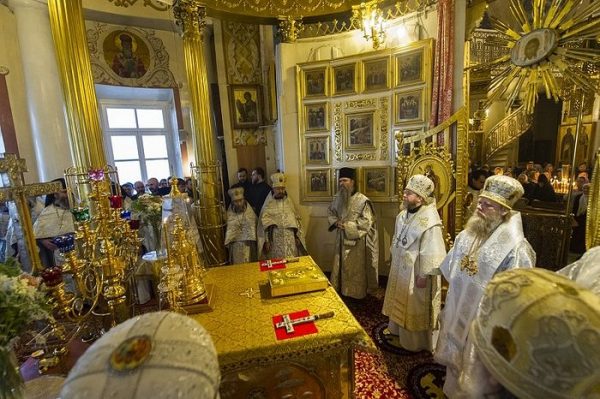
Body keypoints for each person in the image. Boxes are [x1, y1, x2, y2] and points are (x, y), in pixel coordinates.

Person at [434, 175, 536, 398]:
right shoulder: (468, 233)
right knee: (454, 365)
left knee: (474, 371)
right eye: (480, 201)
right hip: (458, 305)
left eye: (487, 204)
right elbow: (452, 266)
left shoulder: (517, 249)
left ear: (503, 211)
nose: (479, 206)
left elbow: (517, 297)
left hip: (483, 320)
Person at [382, 175, 446, 352]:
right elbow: (397, 238)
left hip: (416, 270)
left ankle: (414, 343)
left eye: (409, 193)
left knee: (414, 303)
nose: (404, 195)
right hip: (400, 266)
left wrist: (424, 275)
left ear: (420, 198)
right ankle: (396, 329)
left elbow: (433, 251)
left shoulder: (430, 222)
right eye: (405, 191)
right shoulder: (402, 215)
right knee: (398, 296)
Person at [328, 167, 378, 299]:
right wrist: (336, 222)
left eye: (344, 180)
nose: (341, 184)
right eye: (340, 181)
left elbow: (367, 221)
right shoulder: (338, 198)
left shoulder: (363, 200)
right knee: (341, 265)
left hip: (356, 242)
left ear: (352, 181)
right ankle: (342, 291)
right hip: (340, 239)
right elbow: (330, 212)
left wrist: (347, 226)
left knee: (355, 268)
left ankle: (355, 293)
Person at [257, 173, 306, 259]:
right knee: (277, 263)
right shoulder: (268, 204)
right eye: (278, 189)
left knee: (291, 262)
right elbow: (264, 225)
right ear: (273, 189)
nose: (281, 191)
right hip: (275, 238)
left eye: (282, 188)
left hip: (289, 238)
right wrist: (266, 241)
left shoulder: (289, 203)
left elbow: (296, 221)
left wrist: (297, 237)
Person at [33, 178, 76, 269]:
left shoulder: (78, 208)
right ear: (55, 194)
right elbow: (35, 233)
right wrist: (43, 241)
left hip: (80, 251)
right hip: (59, 255)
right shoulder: (48, 212)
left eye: (69, 191)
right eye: (64, 192)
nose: (68, 195)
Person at [224, 187, 257, 264]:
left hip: (248, 245)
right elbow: (230, 232)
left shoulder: (250, 213)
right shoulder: (229, 215)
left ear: (244, 200)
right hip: (235, 246)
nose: (239, 203)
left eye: (240, 200)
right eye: (236, 201)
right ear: (232, 202)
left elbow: (255, 227)